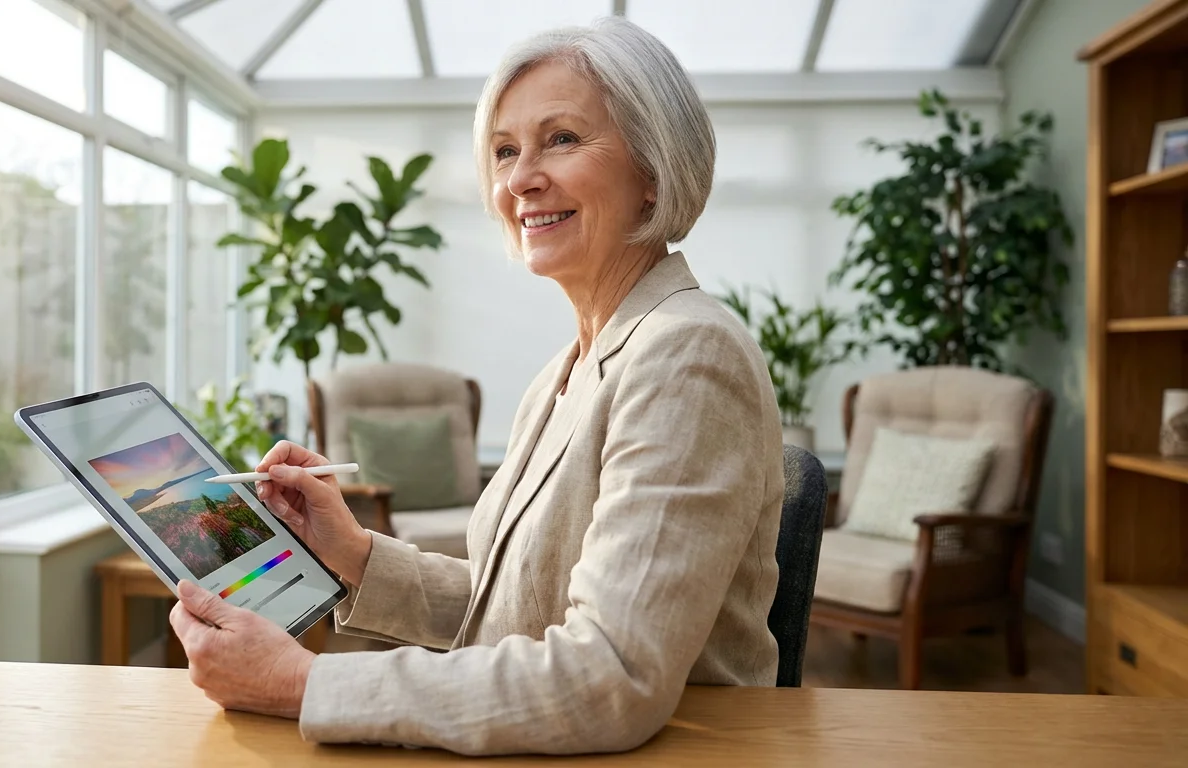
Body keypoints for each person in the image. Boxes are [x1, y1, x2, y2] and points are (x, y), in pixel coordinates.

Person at [167, 16, 784, 756]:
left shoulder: (688, 355)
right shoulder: (566, 370)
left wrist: (303, 684)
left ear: (653, 173)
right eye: (503, 150)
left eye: (561, 138)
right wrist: (354, 551)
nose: (519, 179)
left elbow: (611, 676)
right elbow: (513, 607)